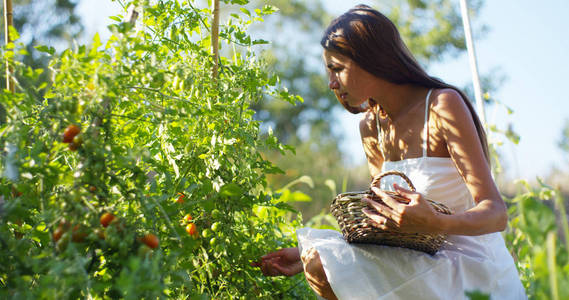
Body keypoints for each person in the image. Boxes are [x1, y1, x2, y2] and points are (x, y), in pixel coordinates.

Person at [252, 5, 526, 300]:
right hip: (416, 261)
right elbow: (381, 227)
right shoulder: (371, 127)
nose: (331, 83)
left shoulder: (442, 106)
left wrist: (435, 221)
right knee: (316, 263)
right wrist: (309, 251)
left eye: (337, 69)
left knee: (322, 264)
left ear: (371, 60)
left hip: (468, 265)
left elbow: (496, 213)